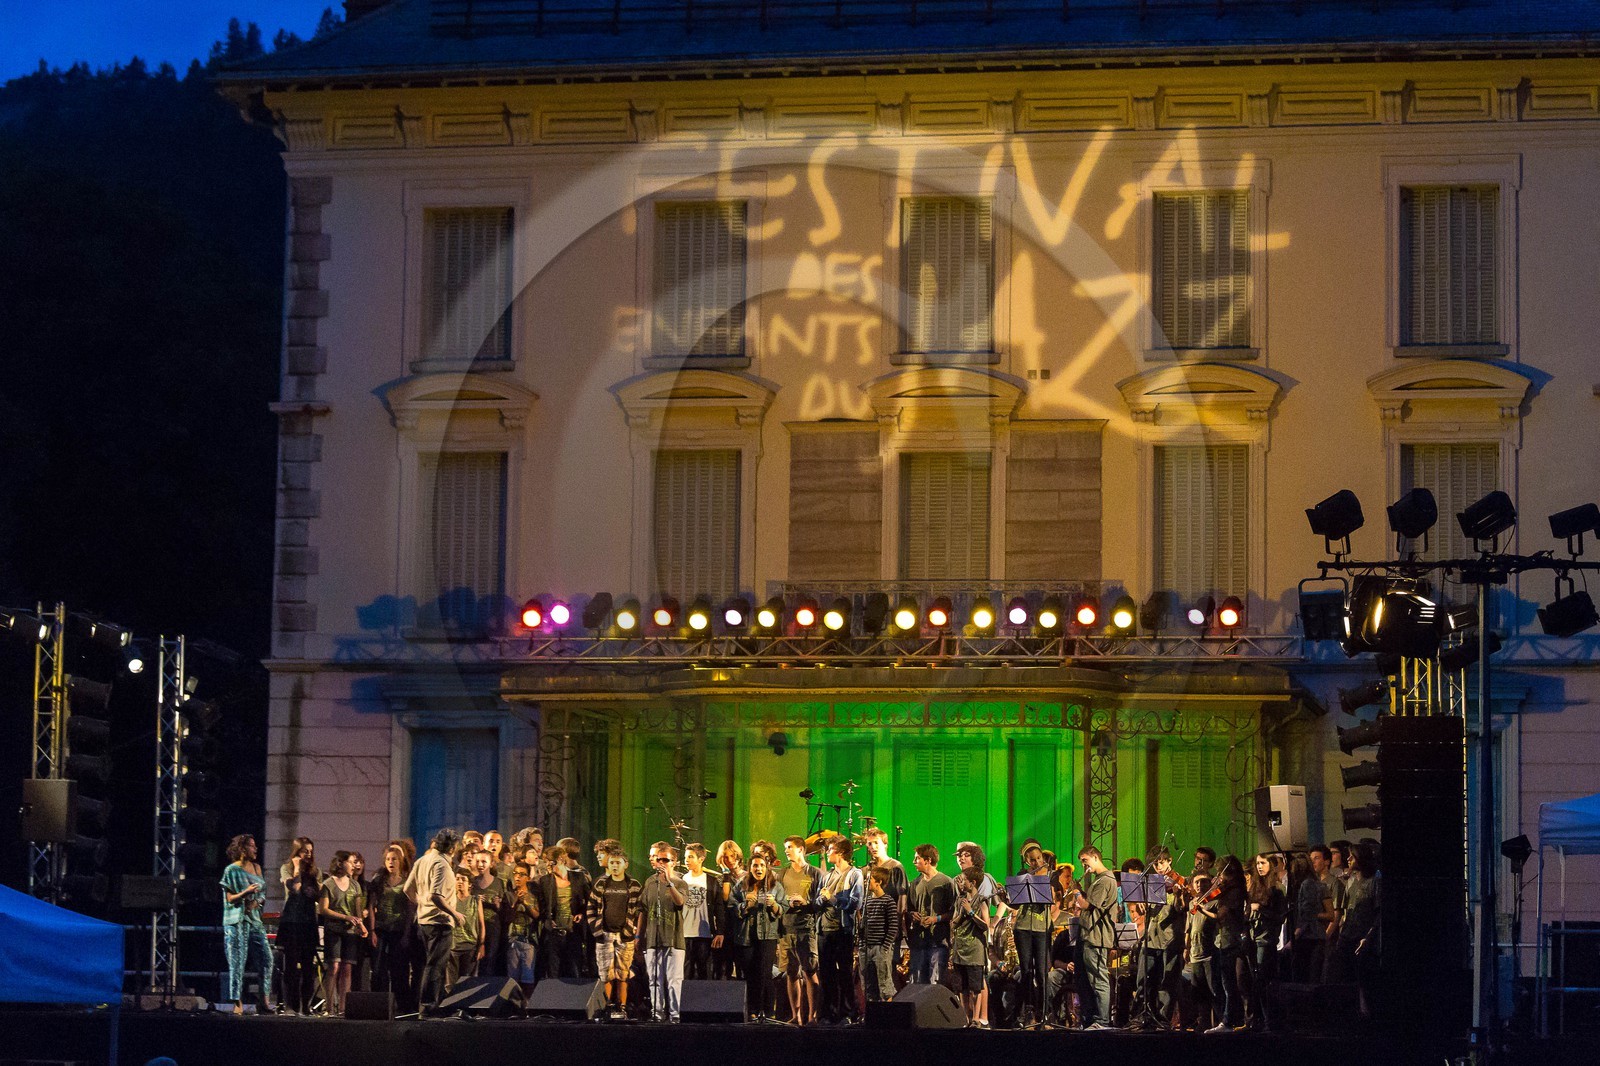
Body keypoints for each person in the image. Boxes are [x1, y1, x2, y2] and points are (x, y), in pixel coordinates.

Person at [402, 827, 465, 1013]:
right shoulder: (442, 865)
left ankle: (435, 1003)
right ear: (452, 848)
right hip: (439, 923)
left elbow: (407, 889)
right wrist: (455, 913)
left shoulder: (422, 860)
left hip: (423, 922)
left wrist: (422, 904)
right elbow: (436, 896)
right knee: (435, 966)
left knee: (430, 965)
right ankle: (429, 1006)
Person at [588, 846, 643, 1019]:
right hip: (604, 934)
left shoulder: (633, 885)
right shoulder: (601, 884)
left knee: (623, 974)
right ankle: (608, 1006)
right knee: (606, 974)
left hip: (625, 935)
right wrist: (595, 929)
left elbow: (640, 910)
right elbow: (591, 907)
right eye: (612, 862)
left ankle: (622, 1007)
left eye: (618, 863)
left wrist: (634, 930)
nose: (614, 866)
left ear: (625, 864)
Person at [220, 834, 272, 1015]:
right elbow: (229, 898)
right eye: (251, 846)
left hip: (255, 919)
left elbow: (263, 892)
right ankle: (237, 1002)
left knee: (266, 958)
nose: (255, 849)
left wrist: (256, 902)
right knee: (237, 961)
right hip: (237, 920)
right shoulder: (231, 870)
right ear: (242, 849)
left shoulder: (257, 868)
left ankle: (264, 1001)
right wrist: (245, 893)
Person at [733, 851, 788, 1020]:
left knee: (765, 973)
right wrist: (745, 905)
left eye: (762, 865)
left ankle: (768, 1011)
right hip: (746, 936)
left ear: (767, 867)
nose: (759, 868)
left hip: (767, 935)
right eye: (755, 865)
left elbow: (784, 907)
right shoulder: (741, 885)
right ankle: (752, 1010)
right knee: (750, 974)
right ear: (750, 868)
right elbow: (731, 907)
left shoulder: (775, 886)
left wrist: (774, 905)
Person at [777, 835, 824, 1024]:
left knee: (809, 971)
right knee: (791, 973)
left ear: (801, 849)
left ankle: (812, 1015)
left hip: (806, 928)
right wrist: (786, 902)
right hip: (786, 928)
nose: (787, 851)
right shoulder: (782, 873)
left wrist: (806, 902)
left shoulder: (814, 873)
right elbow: (777, 898)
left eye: (790, 847)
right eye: (786, 847)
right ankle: (795, 1015)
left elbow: (821, 901)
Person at [639, 842, 688, 1022]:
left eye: (665, 860)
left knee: (674, 980)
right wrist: (639, 936)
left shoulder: (680, 883)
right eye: (658, 859)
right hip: (653, 938)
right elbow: (643, 910)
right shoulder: (650, 882)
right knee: (654, 980)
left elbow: (680, 902)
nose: (661, 863)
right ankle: (657, 1013)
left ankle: (675, 1016)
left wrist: (669, 884)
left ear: (674, 862)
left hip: (674, 939)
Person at [367, 843, 418, 1015]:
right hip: (381, 929)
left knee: (400, 970)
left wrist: (406, 934)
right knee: (378, 969)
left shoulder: (406, 882)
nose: (391, 862)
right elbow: (371, 905)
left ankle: (403, 1007)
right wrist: (372, 931)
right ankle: (378, 1006)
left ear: (400, 861)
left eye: (394, 859)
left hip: (399, 930)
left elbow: (410, 910)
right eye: (388, 859)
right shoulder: (379, 881)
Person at [817, 837, 862, 1024]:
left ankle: (848, 1013)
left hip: (843, 930)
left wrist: (833, 899)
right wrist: (822, 899)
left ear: (841, 853)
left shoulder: (854, 874)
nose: (828, 852)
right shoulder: (827, 875)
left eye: (831, 849)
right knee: (826, 974)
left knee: (844, 973)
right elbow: (818, 899)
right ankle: (828, 1014)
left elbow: (855, 903)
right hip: (824, 930)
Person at [317, 850, 367, 1016]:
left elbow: (358, 909)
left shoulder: (355, 885)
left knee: (347, 968)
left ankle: (344, 1008)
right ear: (341, 863)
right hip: (334, 930)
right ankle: (329, 1006)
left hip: (350, 932)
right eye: (350, 862)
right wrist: (345, 917)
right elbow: (323, 909)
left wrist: (361, 925)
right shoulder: (329, 884)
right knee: (334, 967)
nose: (353, 866)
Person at [1201, 855, 1247, 1032]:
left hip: (1230, 939)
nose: (1219, 877)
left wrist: (1203, 910)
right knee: (1227, 982)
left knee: (1228, 983)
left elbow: (1220, 916)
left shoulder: (1234, 892)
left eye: (1221, 873)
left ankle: (1229, 1021)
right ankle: (1234, 1019)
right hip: (1226, 938)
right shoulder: (1231, 890)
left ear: (1230, 874)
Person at [1010, 839, 1053, 1025]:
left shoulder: (1051, 875)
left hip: (1042, 928)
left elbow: (1053, 899)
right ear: (1027, 861)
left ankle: (1044, 1012)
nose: (1037, 862)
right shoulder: (1022, 875)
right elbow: (1015, 903)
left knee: (1042, 972)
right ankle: (1027, 1011)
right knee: (1026, 970)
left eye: (1039, 858)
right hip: (1023, 928)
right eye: (1032, 860)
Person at [1075, 845, 1118, 1030]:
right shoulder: (1099, 880)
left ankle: (1102, 1020)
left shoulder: (1105, 880)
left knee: (1099, 979)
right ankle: (1091, 1019)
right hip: (1089, 935)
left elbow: (1088, 906)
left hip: (1097, 936)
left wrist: (1077, 893)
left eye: (1085, 860)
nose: (1084, 866)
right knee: (1086, 980)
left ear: (1095, 857)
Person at [1245, 852, 1288, 1031]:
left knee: (1263, 979)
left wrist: (1260, 909)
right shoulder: (1255, 887)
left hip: (1266, 939)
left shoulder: (1277, 889)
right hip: (1252, 937)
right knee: (1253, 979)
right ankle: (1257, 1020)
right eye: (1257, 863)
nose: (1259, 866)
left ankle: (1269, 1021)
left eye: (1263, 863)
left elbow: (1280, 917)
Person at [276, 844, 321, 1016]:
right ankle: (290, 1006)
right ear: (297, 852)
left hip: (308, 922)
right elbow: (294, 888)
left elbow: (319, 893)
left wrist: (314, 892)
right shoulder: (286, 868)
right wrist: (296, 868)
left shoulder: (315, 871)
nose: (308, 854)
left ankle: (305, 1006)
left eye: (310, 851)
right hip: (292, 922)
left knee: (308, 967)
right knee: (291, 965)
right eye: (304, 851)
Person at [950, 844, 992, 1026]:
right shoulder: (960, 899)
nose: (961, 883)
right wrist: (961, 913)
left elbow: (985, 924)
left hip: (975, 950)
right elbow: (954, 923)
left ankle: (977, 1018)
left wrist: (971, 912)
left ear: (972, 883)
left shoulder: (981, 899)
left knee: (976, 986)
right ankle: (964, 1018)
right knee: (961, 987)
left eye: (964, 881)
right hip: (960, 949)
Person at [538, 842, 589, 978]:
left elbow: (589, 901)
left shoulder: (578, 878)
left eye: (551, 863)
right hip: (554, 932)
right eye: (546, 863)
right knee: (553, 972)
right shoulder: (545, 881)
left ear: (560, 860)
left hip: (573, 932)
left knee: (574, 970)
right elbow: (542, 906)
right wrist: (547, 919)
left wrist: (581, 914)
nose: (548, 866)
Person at [907, 844, 954, 986]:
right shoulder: (915, 883)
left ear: (928, 860)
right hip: (919, 941)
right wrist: (913, 915)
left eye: (917, 858)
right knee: (917, 983)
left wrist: (935, 919)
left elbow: (953, 911)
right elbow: (910, 908)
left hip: (938, 941)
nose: (914, 862)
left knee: (935, 983)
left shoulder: (946, 882)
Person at [680, 842, 724, 981]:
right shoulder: (681, 880)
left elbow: (719, 907)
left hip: (704, 933)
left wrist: (720, 932)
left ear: (701, 859)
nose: (687, 860)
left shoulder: (711, 881)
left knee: (703, 971)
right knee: (686, 972)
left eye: (691, 857)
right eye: (686, 857)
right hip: (684, 933)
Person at [1292, 846, 1335, 983]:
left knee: (1308, 978)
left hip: (1310, 938)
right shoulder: (1316, 885)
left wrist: (1299, 930)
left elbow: (1329, 915)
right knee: (1311, 978)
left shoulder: (1308, 885)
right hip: (1313, 937)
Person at [858, 866, 899, 1005]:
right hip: (866, 947)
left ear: (879, 882)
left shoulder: (888, 901)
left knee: (884, 983)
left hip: (880, 947)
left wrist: (885, 947)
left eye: (869, 879)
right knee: (868, 984)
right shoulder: (867, 901)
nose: (866, 882)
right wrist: (861, 944)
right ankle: (872, 1012)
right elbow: (862, 924)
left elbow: (893, 926)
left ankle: (887, 1013)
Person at [467, 844, 509, 976]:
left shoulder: (499, 882)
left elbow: (503, 909)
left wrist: (497, 905)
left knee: (490, 959)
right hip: (475, 926)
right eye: (478, 861)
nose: (480, 864)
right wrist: (475, 900)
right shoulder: (472, 882)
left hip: (492, 925)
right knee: (473, 960)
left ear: (491, 864)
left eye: (484, 861)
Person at [506, 860, 542, 996]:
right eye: (515, 873)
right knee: (512, 978)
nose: (517, 877)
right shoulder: (509, 895)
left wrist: (525, 903)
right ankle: (513, 1003)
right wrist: (516, 903)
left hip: (529, 941)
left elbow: (537, 915)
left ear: (528, 877)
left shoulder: (533, 895)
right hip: (513, 940)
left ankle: (527, 1003)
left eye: (521, 874)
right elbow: (507, 918)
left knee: (528, 976)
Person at [713, 840, 746, 980]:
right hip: (728, 925)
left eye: (733, 856)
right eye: (726, 857)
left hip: (743, 924)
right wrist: (726, 874)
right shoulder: (720, 879)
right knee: (725, 967)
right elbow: (726, 898)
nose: (730, 860)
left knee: (743, 968)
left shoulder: (748, 876)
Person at [448, 866, 485, 985]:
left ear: (469, 884)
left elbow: (481, 924)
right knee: (450, 984)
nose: (460, 882)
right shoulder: (450, 900)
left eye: (463, 879)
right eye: (457, 879)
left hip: (469, 947)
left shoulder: (475, 900)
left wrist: (481, 944)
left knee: (466, 982)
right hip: (453, 947)